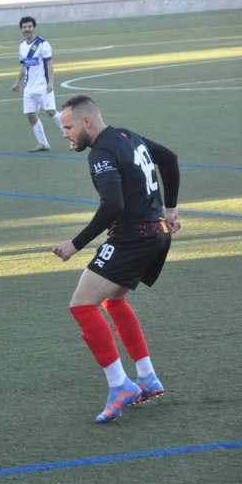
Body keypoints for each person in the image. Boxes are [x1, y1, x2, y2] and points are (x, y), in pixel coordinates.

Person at [53, 95, 181, 423]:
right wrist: (170, 208)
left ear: (86, 122)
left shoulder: (102, 153)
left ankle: (119, 385)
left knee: (82, 305)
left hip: (133, 236)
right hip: (156, 232)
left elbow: (113, 205)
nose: (65, 134)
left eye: (67, 127)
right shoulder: (128, 135)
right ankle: (147, 377)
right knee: (114, 301)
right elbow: (169, 159)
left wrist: (76, 244)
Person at [10, 16, 66, 152]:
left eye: (29, 26)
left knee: (51, 112)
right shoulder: (22, 47)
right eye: (24, 27)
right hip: (29, 88)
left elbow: (49, 65)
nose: (27, 29)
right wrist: (17, 83)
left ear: (33, 27)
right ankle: (43, 143)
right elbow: (23, 67)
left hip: (43, 86)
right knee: (30, 114)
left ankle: (73, 137)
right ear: (21, 29)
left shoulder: (42, 44)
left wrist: (51, 83)